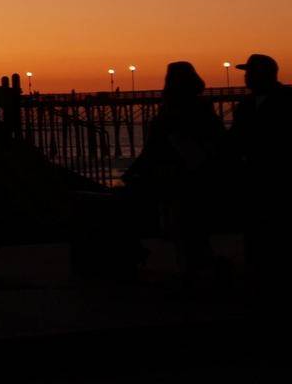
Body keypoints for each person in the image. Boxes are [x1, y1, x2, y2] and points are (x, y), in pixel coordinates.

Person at [123, 62, 223, 282]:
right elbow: (217, 139)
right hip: (196, 173)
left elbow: (154, 145)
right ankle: (200, 266)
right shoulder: (202, 106)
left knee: (181, 222)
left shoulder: (170, 109)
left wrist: (135, 169)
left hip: (174, 174)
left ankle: (191, 269)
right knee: (192, 224)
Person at [228, 53, 292, 294]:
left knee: (278, 231)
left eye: (250, 72)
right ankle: (259, 277)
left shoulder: (286, 101)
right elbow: (235, 141)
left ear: (264, 74)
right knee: (255, 231)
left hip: (279, 178)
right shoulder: (246, 105)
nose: (246, 78)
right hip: (253, 179)